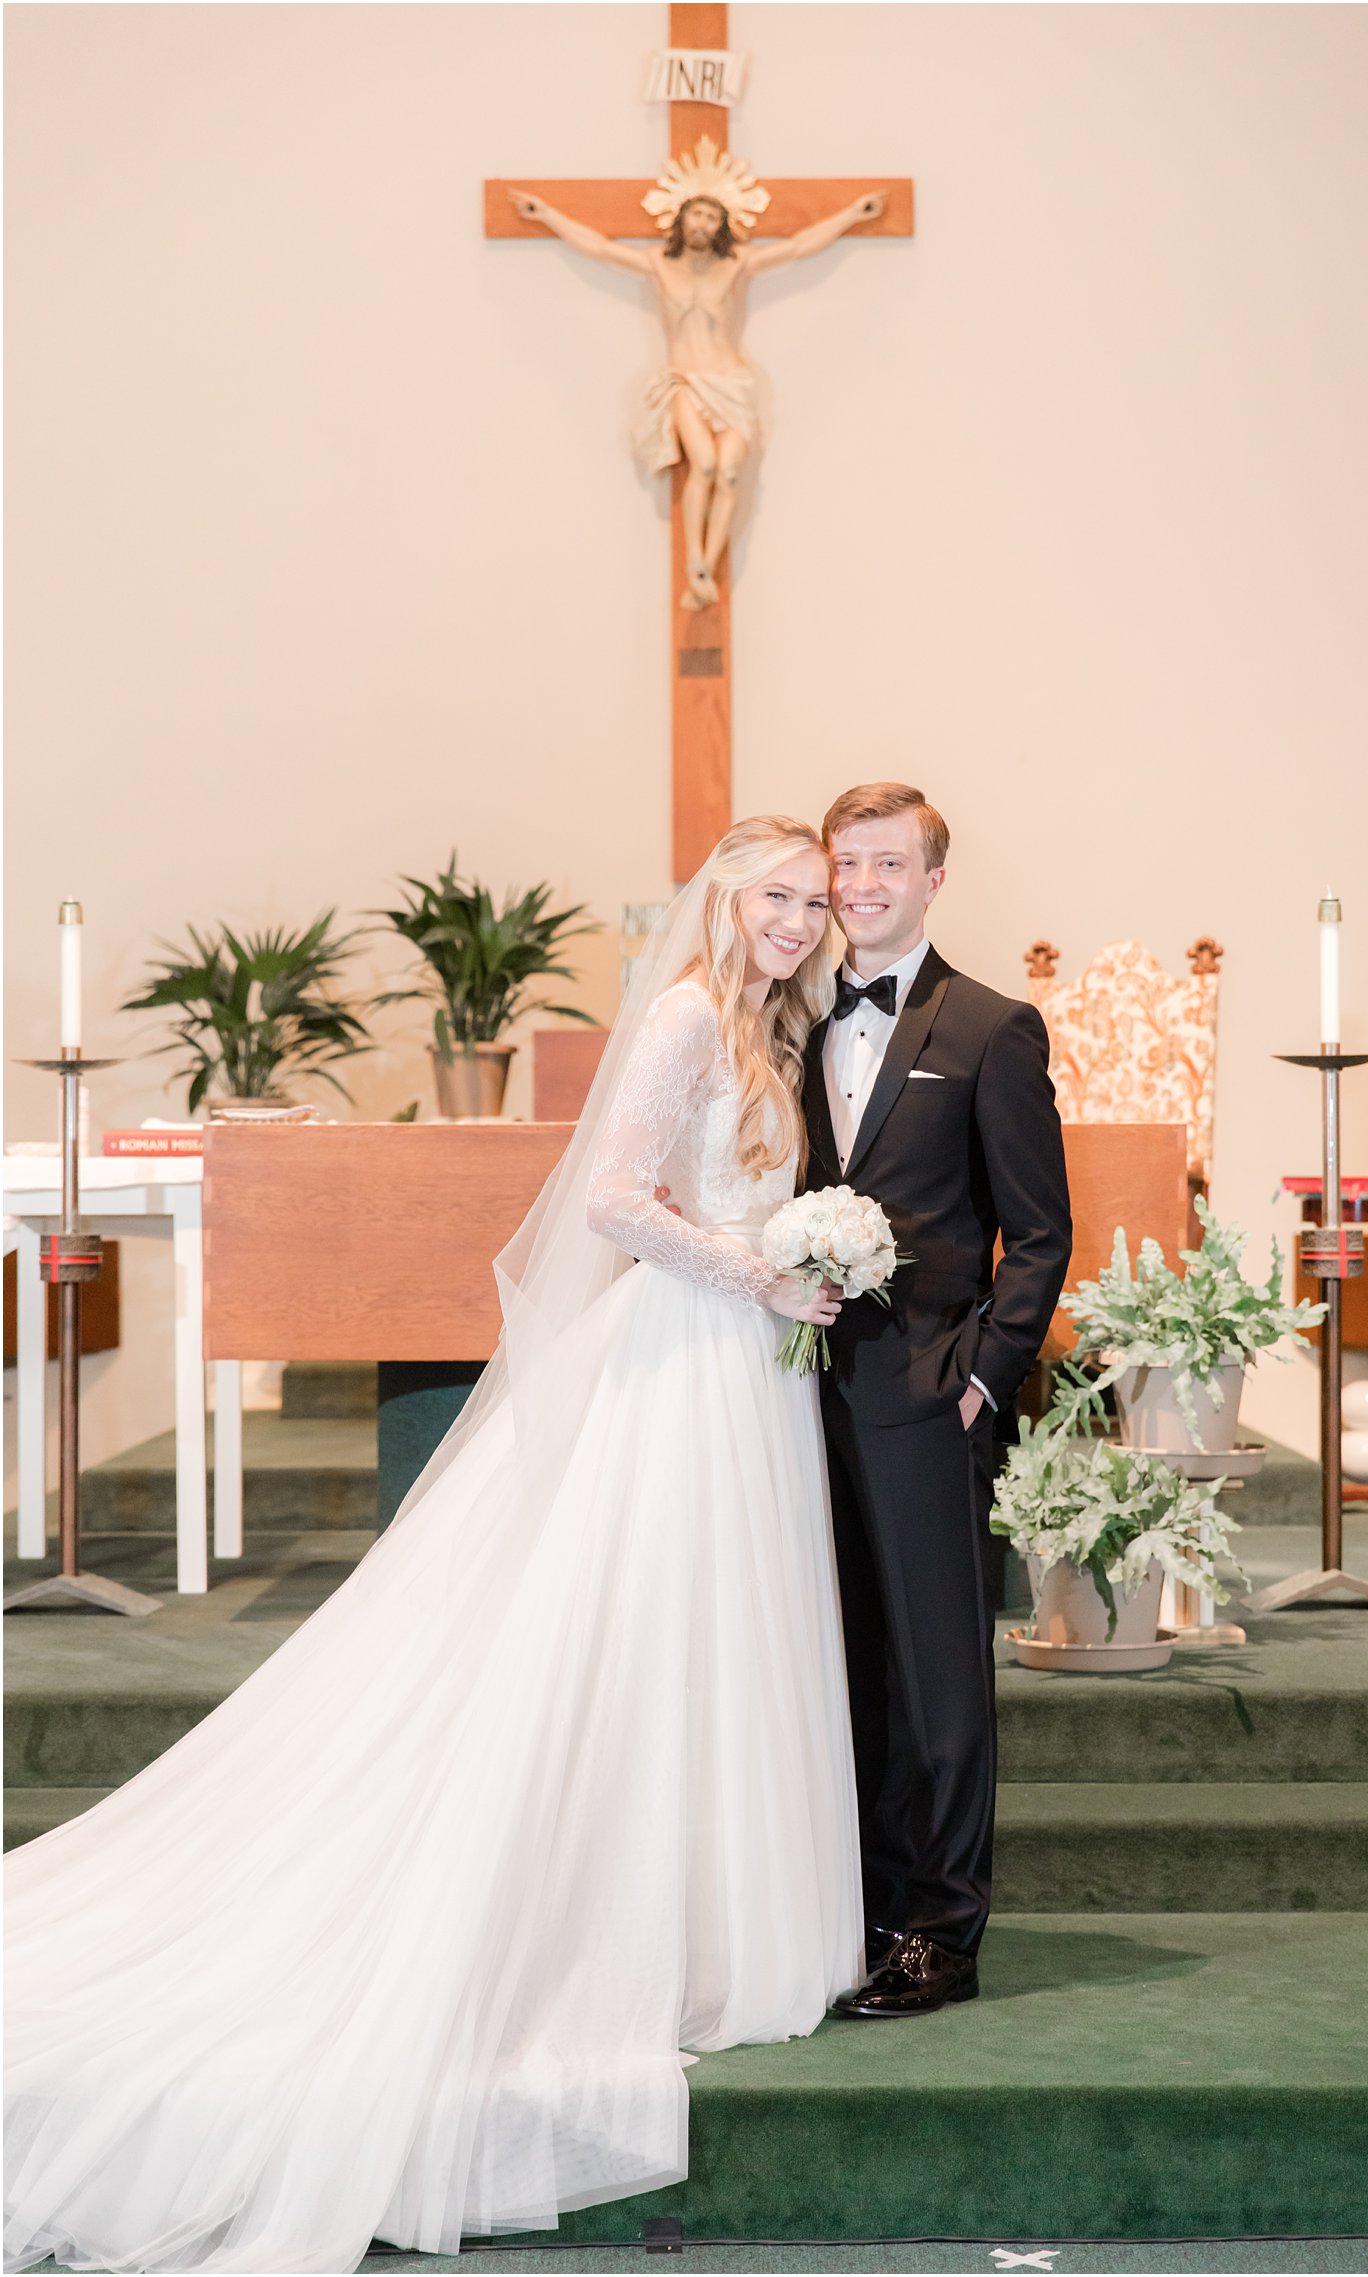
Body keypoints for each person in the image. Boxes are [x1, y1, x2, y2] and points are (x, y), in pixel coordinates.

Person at [4, 817, 862, 2277]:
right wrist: (756, 1266)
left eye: (812, 901)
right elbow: (610, 1199)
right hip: (682, 1351)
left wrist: (792, 1264)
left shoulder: (779, 1022)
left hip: (749, 1376)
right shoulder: (677, 1016)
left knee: (732, 1634)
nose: (795, 919)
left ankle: (726, 1916)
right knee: (642, 1626)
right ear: (726, 899)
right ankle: (631, 1925)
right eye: (773, 896)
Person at [802, 782, 1072, 2019]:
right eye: (845, 863)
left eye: (886, 865)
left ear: (932, 878)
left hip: (924, 1396)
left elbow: (1039, 1231)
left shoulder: (990, 1027)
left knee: (936, 1675)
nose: (861, 885)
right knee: (834, 1659)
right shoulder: (789, 1015)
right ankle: (847, 1908)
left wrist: (979, 1375)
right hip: (792, 1397)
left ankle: (937, 1932)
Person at [506, 184, 885, 608]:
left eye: (711, 216)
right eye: (695, 214)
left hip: (732, 383)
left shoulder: (736, 265)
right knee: (702, 465)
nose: (701, 223)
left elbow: (798, 248)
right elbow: (599, 248)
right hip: (686, 381)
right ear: (681, 218)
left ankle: (707, 566)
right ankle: (696, 564)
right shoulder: (658, 265)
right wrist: (546, 215)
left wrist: (853, 213)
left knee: (731, 473)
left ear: (721, 226)